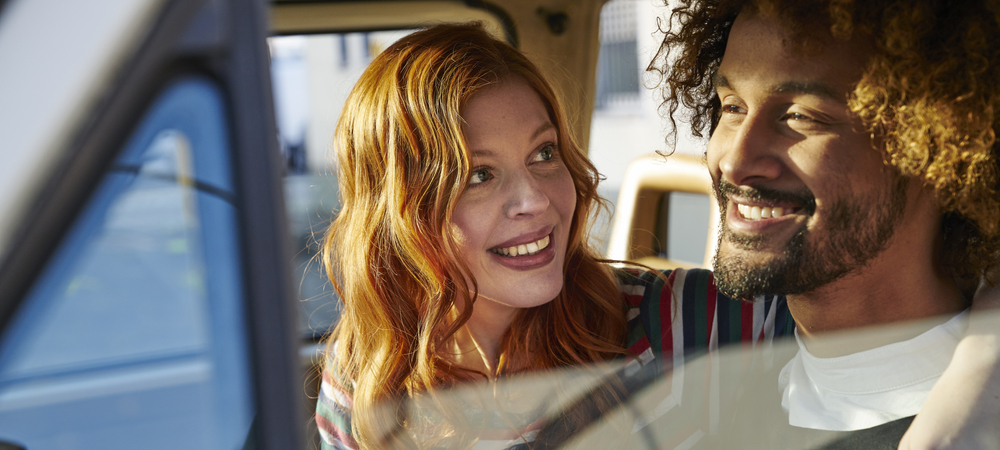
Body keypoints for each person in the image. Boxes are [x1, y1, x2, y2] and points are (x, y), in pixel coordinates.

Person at [316, 21, 999, 450]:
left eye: (544, 153)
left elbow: (860, 299)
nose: (534, 202)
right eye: (477, 174)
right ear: (400, 207)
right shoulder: (364, 376)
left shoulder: (679, 321)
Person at [651, 0, 1000, 446]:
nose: (735, 161)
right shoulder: (697, 360)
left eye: (800, 116)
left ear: (942, 145)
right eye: (732, 107)